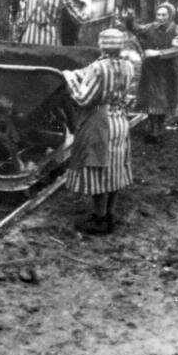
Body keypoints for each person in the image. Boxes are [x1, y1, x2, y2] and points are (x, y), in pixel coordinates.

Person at [62, 28, 134, 235]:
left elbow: (84, 98)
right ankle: (109, 214)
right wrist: (81, 74)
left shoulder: (98, 67)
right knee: (115, 167)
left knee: (99, 168)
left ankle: (99, 219)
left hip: (100, 121)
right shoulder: (128, 65)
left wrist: (70, 79)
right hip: (120, 120)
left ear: (102, 45)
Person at [125, 2, 178, 142]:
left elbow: (177, 49)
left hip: (168, 70)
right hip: (151, 69)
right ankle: (154, 129)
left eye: (164, 15)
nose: (161, 17)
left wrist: (157, 52)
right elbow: (135, 29)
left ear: (170, 15)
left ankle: (159, 127)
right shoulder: (151, 27)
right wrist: (129, 18)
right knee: (152, 98)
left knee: (164, 98)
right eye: (158, 14)